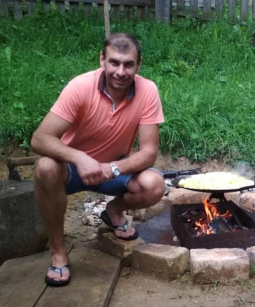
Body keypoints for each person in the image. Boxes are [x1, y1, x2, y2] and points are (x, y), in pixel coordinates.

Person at [31, 32, 165, 287]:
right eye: (114, 62)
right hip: (72, 169)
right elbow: (40, 138)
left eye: (128, 64)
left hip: (112, 169)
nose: (120, 72)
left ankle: (113, 211)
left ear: (139, 65)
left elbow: (149, 152)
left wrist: (112, 168)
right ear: (102, 59)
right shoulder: (80, 86)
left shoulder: (148, 90)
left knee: (154, 184)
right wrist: (80, 158)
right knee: (45, 167)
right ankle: (58, 252)